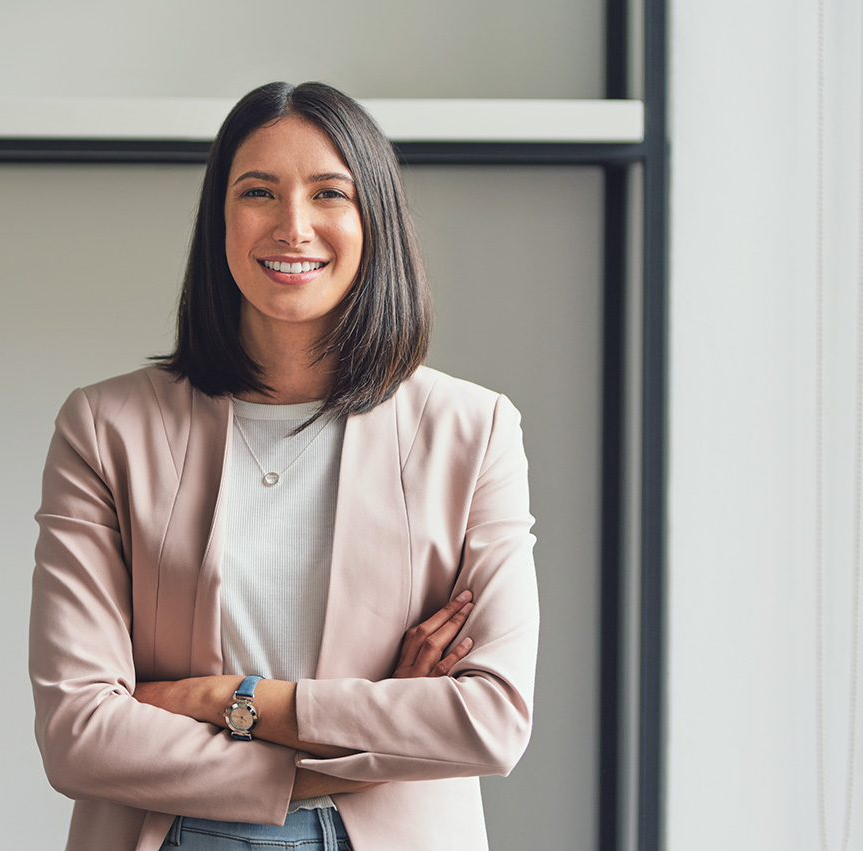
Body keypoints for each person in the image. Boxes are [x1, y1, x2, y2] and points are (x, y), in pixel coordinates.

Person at [29, 81, 539, 851]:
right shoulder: (105, 428)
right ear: (219, 221)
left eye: (329, 192)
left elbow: (491, 720)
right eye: (258, 191)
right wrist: (356, 752)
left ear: (374, 222)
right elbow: (79, 731)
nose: (292, 226)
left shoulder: (473, 429)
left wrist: (231, 699)